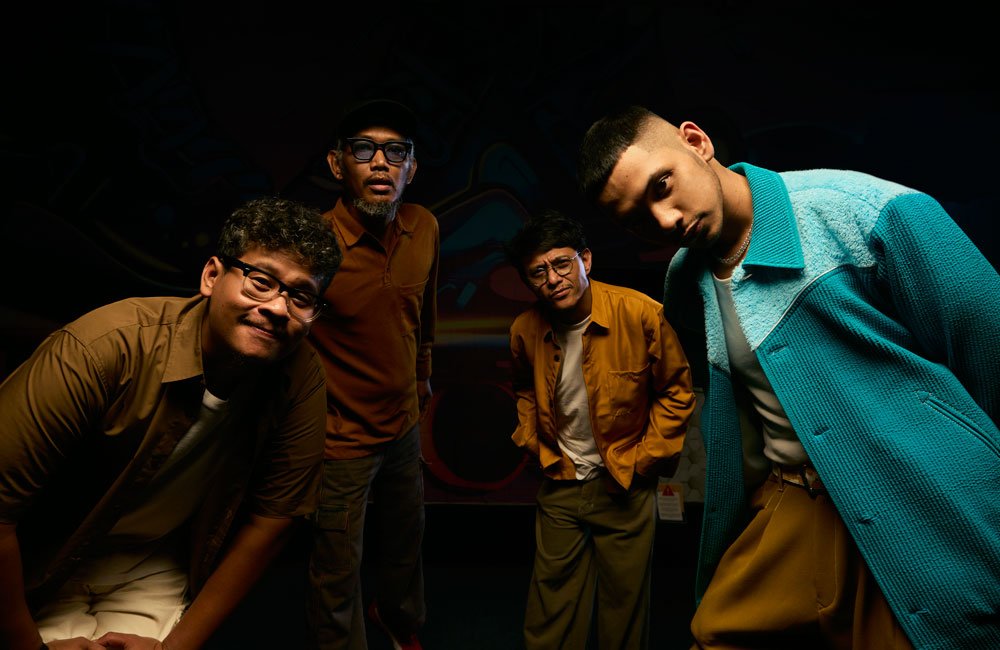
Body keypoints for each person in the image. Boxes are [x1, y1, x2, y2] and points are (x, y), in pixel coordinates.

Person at [576, 105, 1000, 649]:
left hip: (912, 489)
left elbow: (987, 345)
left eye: (662, 186)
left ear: (696, 142)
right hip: (795, 499)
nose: (664, 221)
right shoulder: (684, 279)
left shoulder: (859, 210)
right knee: (714, 634)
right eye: (637, 218)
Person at [0, 196, 342, 650]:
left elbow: (274, 520)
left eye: (300, 297)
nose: (278, 309)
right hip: (39, 562)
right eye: (261, 282)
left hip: (153, 562)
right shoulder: (103, 349)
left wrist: (177, 648)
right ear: (212, 276)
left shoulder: (300, 374)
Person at [504, 209, 696, 650]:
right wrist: (532, 440)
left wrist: (645, 460)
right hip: (561, 479)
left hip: (625, 481)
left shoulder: (641, 314)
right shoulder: (524, 330)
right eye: (538, 272)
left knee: (623, 608)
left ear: (585, 260)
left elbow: (676, 392)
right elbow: (524, 389)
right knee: (551, 608)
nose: (553, 279)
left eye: (561, 263)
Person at [306, 97, 439, 650]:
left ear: (412, 167)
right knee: (337, 567)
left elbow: (424, 313)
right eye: (364, 150)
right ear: (338, 164)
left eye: (395, 152)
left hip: (402, 424)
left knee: (405, 541)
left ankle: (400, 620)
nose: (381, 163)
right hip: (341, 439)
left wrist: (422, 376)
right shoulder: (313, 244)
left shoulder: (424, 226)